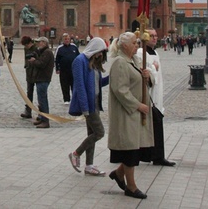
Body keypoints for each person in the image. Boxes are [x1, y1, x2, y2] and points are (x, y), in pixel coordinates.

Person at [107, 32, 153, 200]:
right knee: (130, 150)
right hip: (126, 113)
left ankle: (119, 174)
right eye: (134, 43)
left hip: (134, 114)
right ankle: (131, 187)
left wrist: (146, 77)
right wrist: (137, 105)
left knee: (134, 148)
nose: (137, 46)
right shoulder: (120, 62)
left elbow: (138, 81)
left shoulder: (133, 60)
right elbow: (120, 90)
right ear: (125, 46)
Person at [67, 37, 109, 176]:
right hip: (89, 105)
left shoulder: (93, 62)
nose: (101, 55)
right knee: (99, 132)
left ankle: (89, 165)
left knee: (92, 134)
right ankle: (76, 153)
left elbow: (98, 83)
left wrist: (111, 77)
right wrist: (84, 108)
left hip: (95, 102)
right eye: (100, 51)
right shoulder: (80, 61)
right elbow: (79, 86)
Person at [137, 28, 176, 167]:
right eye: (151, 36)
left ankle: (157, 155)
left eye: (155, 36)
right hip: (149, 95)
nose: (154, 38)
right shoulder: (141, 53)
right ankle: (155, 156)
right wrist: (153, 68)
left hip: (157, 94)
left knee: (157, 126)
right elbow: (144, 73)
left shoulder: (155, 53)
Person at [29, 36, 54, 129]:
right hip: (40, 78)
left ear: (44, 43)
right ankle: (41, 117)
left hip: (43, 78)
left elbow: (41, 64)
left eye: (40, 42)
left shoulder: (47, 52)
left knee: (43, 100)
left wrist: (34, 61)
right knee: (40, 100)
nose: (38, 44)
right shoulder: (43, 52)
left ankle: (45, 120)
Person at [55, 32, 80, 104]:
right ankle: (66, 99)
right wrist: (57, 68)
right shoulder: (60, 48)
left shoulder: (74, 47)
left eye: (68, 39)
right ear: (63, 40)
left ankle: (75, 98)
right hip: (63, 70)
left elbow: (78, 57)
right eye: (65, 39)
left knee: (74, 84)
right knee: (64, 85)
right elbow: (56, 59)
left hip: (73, 70)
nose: (67, 40)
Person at [19, 36, 37, 120]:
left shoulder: (36, 48)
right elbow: (26, 59)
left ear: (30, 43)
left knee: (40, 94)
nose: (25, 47)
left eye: (26, 45)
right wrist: (26, 66)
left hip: (36, 72)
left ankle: (42, 113)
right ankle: (28, 110)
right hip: (29, 72)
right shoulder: (26, 49)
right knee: (29, 92)